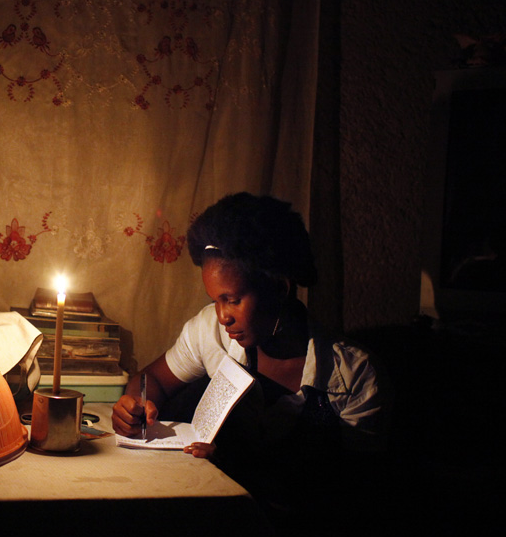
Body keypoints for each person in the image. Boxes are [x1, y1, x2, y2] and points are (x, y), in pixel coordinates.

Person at [111, 192, 385, 515]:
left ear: (280, 289)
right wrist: (135, 406)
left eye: (233, 299)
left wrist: (236, 469)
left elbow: (353, 496)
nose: (222, 316)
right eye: (215, 300)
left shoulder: (354, 378)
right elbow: (152, 378)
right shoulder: (210, 333)